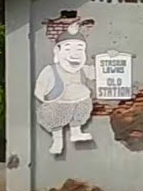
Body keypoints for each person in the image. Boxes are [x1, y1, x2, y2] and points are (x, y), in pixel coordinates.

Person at [33, 22, 96, 154]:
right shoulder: (51, 70)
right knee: (55, 120)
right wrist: (46, 99)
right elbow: (40, 87)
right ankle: (57, 141)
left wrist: (109, 58)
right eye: (68, 49)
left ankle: (76, 132)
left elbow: (98, 72)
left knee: (82, 110)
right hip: (59, 104)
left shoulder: (83, 70)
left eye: (79, 49)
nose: (75, 54)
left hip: (80, 101)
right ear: (57, 51)